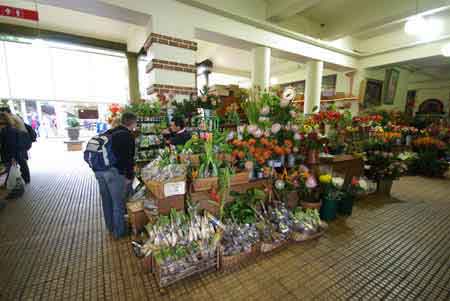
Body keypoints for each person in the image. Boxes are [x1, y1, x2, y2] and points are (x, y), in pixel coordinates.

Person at [94, 112, 137, 239]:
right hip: (114, 173)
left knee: (106, 200)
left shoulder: (110, 132)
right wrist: (129, 177)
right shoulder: (128, 136)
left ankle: (110, 227)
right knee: (117, 203)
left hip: (99, 171)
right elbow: (128, 159)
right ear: (133, 123)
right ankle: (119, 232)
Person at [0, 108, 31, 184]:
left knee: (15, 166)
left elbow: (9, 145)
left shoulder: (7, 128)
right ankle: (25, 179)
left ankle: (17, 183)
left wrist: (12, 157)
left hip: (15, 148)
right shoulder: (14, 119)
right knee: (21, 162)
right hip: (20, 144)